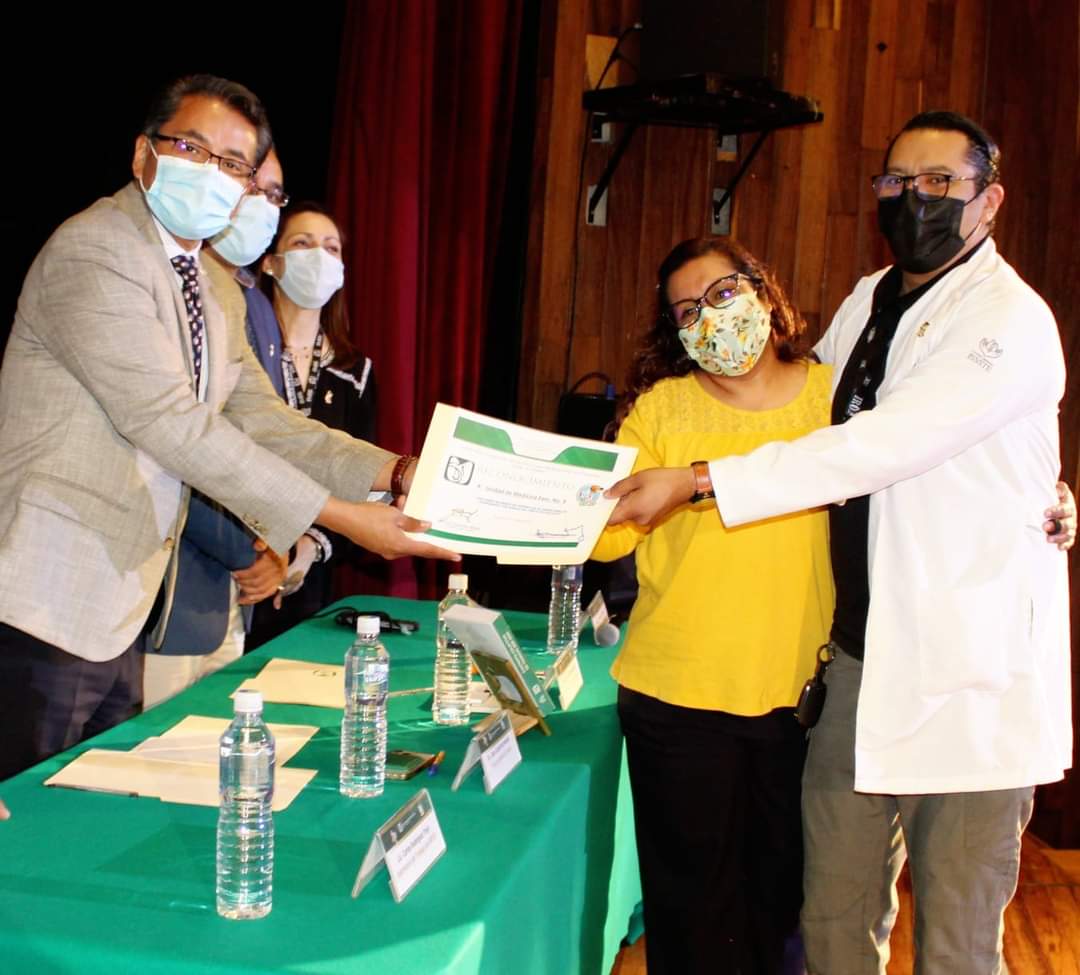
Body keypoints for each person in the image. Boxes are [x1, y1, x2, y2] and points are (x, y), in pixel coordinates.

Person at [606, 111, 1074, 974]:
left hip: (963, 672)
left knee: (956, 942)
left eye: (940, 182)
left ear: (990, 200)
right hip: (855, 661)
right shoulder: (870, 298)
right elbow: (804, 418)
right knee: (833, 922)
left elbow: (880, 443)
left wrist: (700, 479)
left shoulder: (1008, 319)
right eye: (897, 181)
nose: (914, 198)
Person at [0, 74, 453, 781]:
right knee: (27, 822)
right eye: (192, 147)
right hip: (46, 598)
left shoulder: (211, 285)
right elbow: (170, 423)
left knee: (89, 814)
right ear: (144, 154)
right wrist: (341, 516)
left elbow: (263, 419)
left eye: (235, 164)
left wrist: (396, 471)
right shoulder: (97, 249)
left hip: (123, 607)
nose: (213, 172)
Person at [591, 237, 833, 974]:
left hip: (803, 698)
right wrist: (562, 500)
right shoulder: (662, 408)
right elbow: (605, 534)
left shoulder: (833, 396)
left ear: (763, 290)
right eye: (687, 311)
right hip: (676, 699)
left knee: (786, 912)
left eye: (724, 293)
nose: (711, 318)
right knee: (690, 917)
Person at [142, 149, 291, 708]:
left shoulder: (253, 306)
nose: (261, 204)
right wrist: (250, 552)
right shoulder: (164, 283)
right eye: (249, 183)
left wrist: (277, 543)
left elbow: (266, 437)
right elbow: (179, 443)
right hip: (174, 584)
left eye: (274, 194)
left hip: (233, 591)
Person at [245, 201, 378, 648]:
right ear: (271, 261)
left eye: (331, 247)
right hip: (239, 560)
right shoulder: (244, 353)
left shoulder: (354, 371)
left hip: (310, 577)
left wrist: (308, 546)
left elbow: (361, 481)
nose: (319, 256)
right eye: (303, 243)